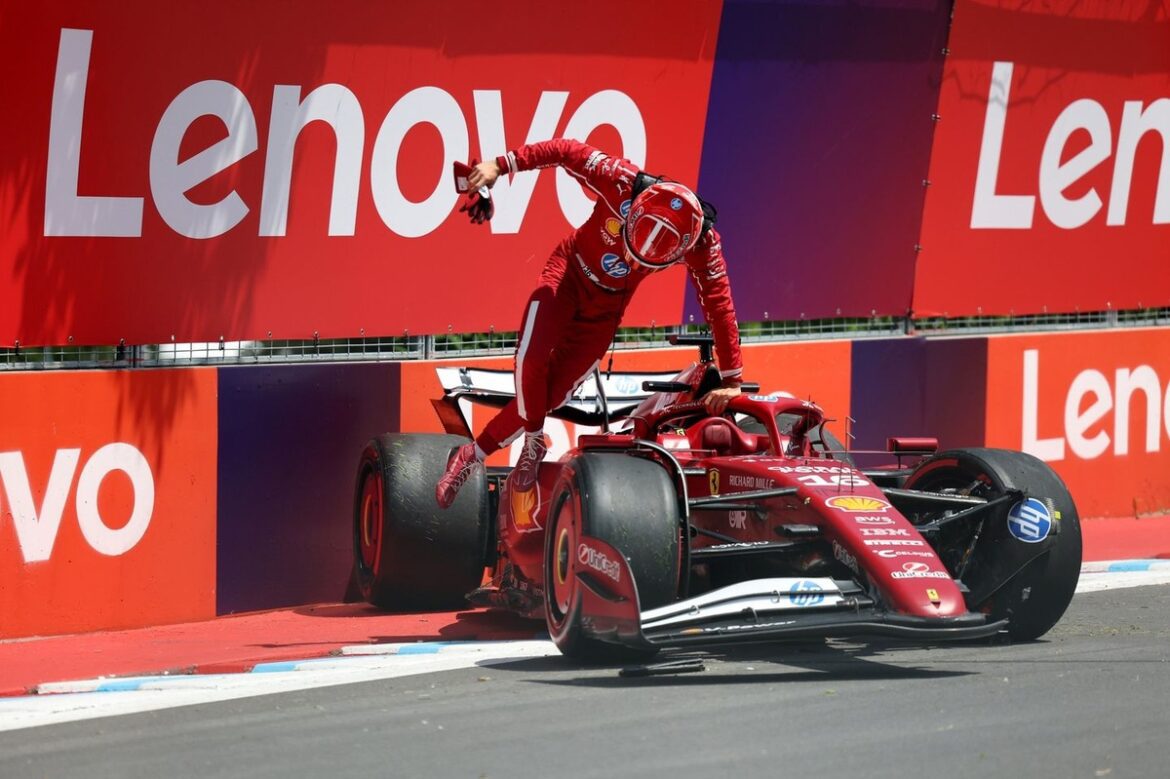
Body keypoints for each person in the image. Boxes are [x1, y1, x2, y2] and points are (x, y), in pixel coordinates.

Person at [435, 139, 744, 527]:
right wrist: (503, 164)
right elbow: (564, 150)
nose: (632, 259)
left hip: (605, 311)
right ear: (634, 212)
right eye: (632, 246)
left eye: (645, 261)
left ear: (681, 248)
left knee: (549, 394)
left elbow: (720, 305)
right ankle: (533, 443)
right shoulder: (620, 179)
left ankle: (471, 456)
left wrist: (733, 378)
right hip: (566, 275)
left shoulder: (703, 243)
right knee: (531, 358)